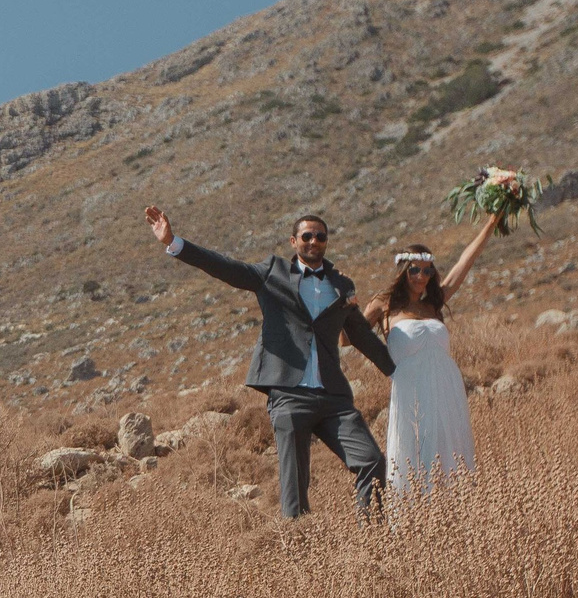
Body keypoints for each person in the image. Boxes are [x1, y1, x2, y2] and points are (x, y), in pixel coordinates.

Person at [144, 206, 393, 519]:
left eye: (320, 237)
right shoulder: (271, 273)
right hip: (290, 395)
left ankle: (372, 540)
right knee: (295, 492)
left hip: (334, 398)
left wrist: (398, 370)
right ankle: (298, 554)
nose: (314, 241)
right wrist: (175, 242)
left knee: (371, 461)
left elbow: (359, 334)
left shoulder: (341, 285)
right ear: (293, 241)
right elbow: (225, 267)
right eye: (307, 236)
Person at [364, 212, 502, 497]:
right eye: (415, 270)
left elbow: (464, 263)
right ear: (404, 271)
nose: (422, 277)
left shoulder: (434, 304)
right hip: (410, 390)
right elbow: (345, 337)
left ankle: (453, 513)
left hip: (447, 389)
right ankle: (414, 521)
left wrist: (490, 223)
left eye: (428, 271)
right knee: (414, 452)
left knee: (448, 449)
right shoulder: (384, 305)